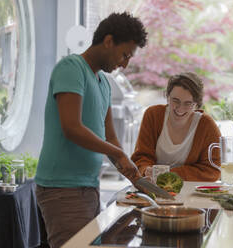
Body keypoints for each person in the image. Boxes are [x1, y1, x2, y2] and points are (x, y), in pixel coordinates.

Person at [34, 12, 147, 248]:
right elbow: (72, 128)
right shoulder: (71, 68)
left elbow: (110, 137)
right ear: (108, 41)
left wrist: (134, 175)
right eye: (124, 54)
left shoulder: (103, 82)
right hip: (62, 188)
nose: (125, 63)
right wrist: (118, 155)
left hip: (88, 186)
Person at [131, 72, 221, 181]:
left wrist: (169, 174)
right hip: (152, 185)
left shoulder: (207, 126)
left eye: (188, 103)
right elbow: (140, 156)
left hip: (191, 192)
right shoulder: (153, 115)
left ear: (196, 104)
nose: (180, 108)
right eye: (175, 101)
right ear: (167, 97)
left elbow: (213, 170)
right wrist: (146, 170)